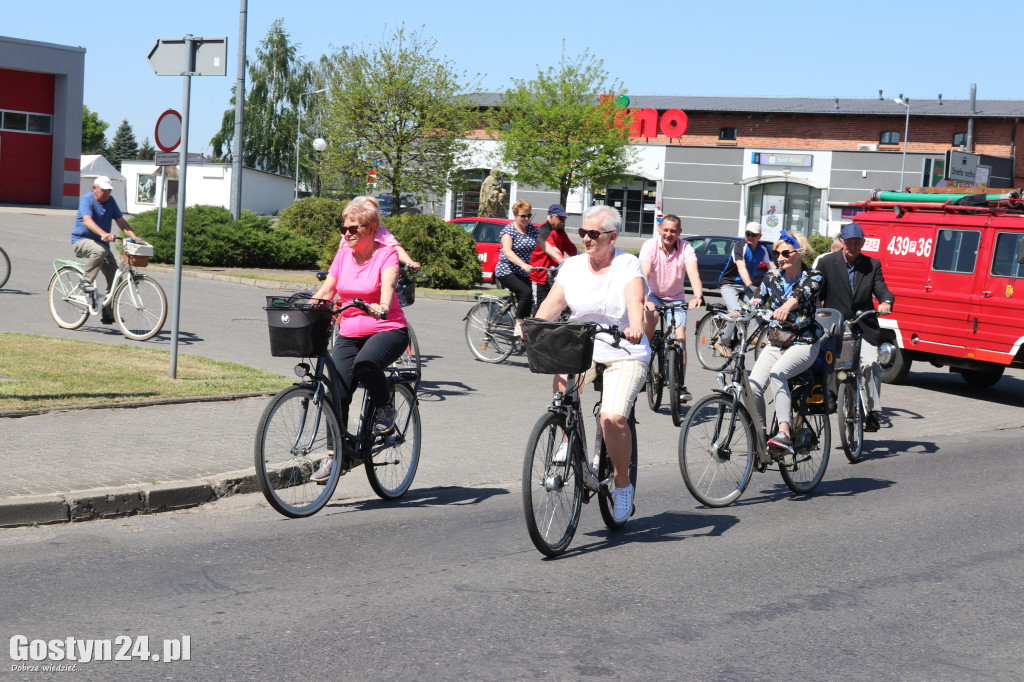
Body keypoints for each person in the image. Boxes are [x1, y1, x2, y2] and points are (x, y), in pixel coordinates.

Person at [534, 205, 649, 523]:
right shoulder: (572, 266)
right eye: (582, 232)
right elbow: (553, 304)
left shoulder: (628, 264)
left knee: (611, 419)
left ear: (612, 237)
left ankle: (622, 484)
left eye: (593, 233)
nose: (585, 238)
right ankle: (572, 443)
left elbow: (634, 300)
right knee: (561, 383)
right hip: (583, 345)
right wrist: (532, 327)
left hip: (624, 348)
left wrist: (636, 325)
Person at [309, 198, 410, 482]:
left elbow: (388, 283)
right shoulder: (343, 255)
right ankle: (335, 457)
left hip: (387, 328)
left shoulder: (386, 253)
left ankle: (385, 404)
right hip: (350, 333)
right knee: (336, 394)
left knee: (366, 365)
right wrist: (304, 307)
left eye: (354, 228)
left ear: (373, 228)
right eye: (344, 228)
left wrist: (383, 305)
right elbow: (327, 290)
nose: (348, 233)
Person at [740, 230, 823, 454]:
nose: (780, 257)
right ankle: (762, 439)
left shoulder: (813, 276)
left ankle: (784, 433)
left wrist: (786, 307)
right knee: (753, 388)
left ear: (800, 252)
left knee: (778, 374)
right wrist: (735, 314)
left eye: (785, 252)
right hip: (777, 342)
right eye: (776, 253)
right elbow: (757, 301)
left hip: (803, 343)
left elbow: (802, 295)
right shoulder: (772, 277)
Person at [816, 222, 894, 432]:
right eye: (849, 241)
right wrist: (819, 312)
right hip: (835, 325)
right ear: (841, 242)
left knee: (870, 365)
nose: (853, 245)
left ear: (863, 243)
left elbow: (882, 289)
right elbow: (815, 293)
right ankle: (831, 395)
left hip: (863, 326)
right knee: (829, 361)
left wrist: (886, 301)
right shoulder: (826, 263)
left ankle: (872, 412)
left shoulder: (872, 264)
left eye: (857, 241)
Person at [638, 214, 704, 403]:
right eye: (665, 230)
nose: (668, 234)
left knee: (680, 340)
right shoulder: (650, 246)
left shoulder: (686, 248)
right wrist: (644, 299)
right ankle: (647, 357)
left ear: (679, 232)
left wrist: (698, 296)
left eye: (673, 231)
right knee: (650, 317)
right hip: (652, 295)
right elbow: (644, 273)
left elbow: (693, 273)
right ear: (660, 229)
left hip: (676, 298)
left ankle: (680, 384)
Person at [71, 176, 143, 324]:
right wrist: (104, 234)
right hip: (81, 240)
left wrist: (136, 239)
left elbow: (121, 222)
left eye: (109, 191)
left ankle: (108, 312)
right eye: (104, 190)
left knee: (116, 277)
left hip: (101, 246)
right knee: (100, 250)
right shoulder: (87, 199)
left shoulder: (110, 202)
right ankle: (85, 280)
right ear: (94, 188)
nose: (106, 194)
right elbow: (87, 221)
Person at [715, 221, 772, 357]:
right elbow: (741, 267)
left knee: (759, 307)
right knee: (735, 312)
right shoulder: (740, 247)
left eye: (753, 235)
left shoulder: (762, 249)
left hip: (745, 286)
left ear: (760, 236)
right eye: (748, 234)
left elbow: (772, 267)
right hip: (729, 284)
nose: (750, 237)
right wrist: (751, 285)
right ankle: (721, 343)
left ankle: (753, 337)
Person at [493, 199, 539, 337]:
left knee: (530, 298)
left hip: (521, 272)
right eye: (523, 216)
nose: (526, 219)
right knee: (526, 292)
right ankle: (519, 325)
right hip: (506, 271)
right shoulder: (508, 231)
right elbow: (508, 252)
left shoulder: (531, 229)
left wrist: (561, 258)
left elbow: (544, 244)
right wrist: (524, 265)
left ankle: (523, 328)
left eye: (528, 215)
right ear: (515, 215)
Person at [529, 203, 577, 312]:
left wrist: (585, 259)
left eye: (564, 218)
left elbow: (572, 249)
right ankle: (532, 328)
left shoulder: (560, 232)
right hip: (539, 275)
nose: (563, 221)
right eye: (560, 218)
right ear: (551, 217)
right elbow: (553, 250)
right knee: (540, 308)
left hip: (552, 275)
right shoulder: (544, 231)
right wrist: (563, 260)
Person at [358, 196, 420, 272]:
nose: (370, 211)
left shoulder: (381, 231)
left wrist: (410, 262)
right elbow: (342, 254)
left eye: (374, 209)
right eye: (366, 208)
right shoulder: (350, 231)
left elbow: (395, 248)